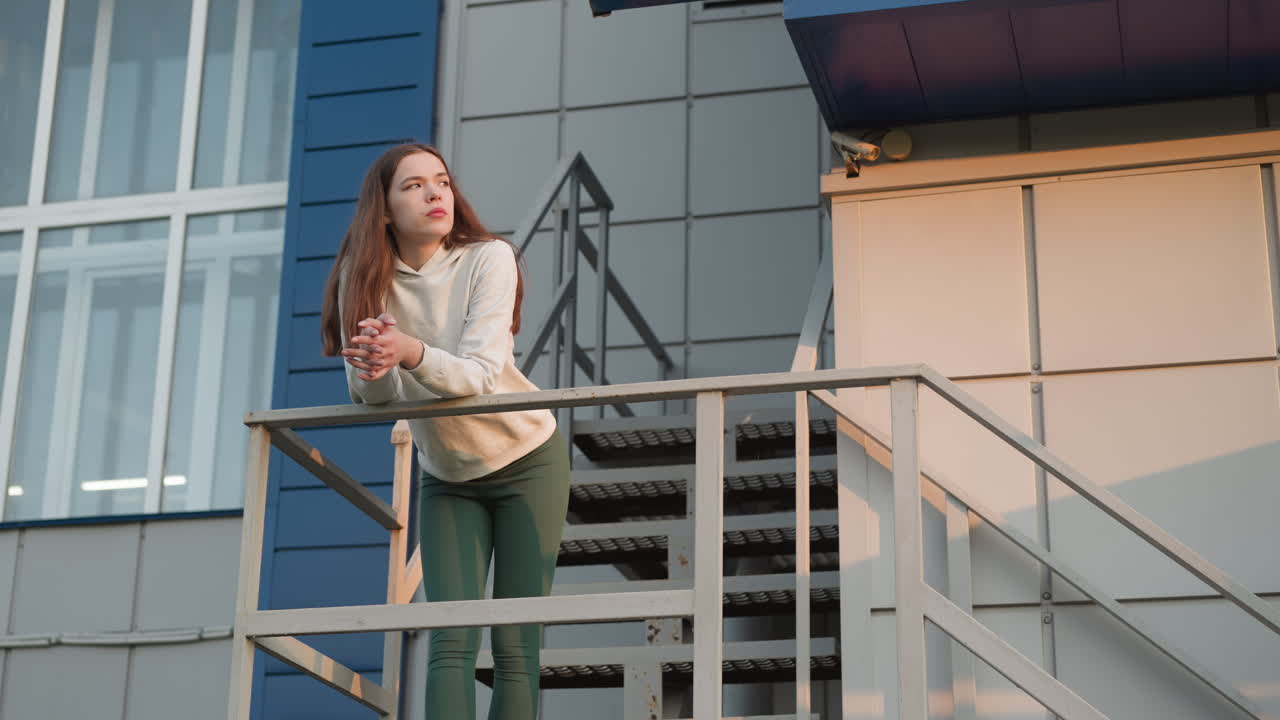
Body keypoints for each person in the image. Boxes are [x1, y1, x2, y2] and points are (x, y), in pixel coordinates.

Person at [320, 142, 569, 720]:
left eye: (442, 181)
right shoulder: (362, 278)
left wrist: (408, 351)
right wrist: (378, 364)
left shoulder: (489, 258)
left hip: (527, 457)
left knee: (514, 646)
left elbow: (480, 376)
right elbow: (373, 398)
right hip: (448, 476)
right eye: (413, 186)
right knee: (449, 643)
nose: (435, 194)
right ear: (382, 209)